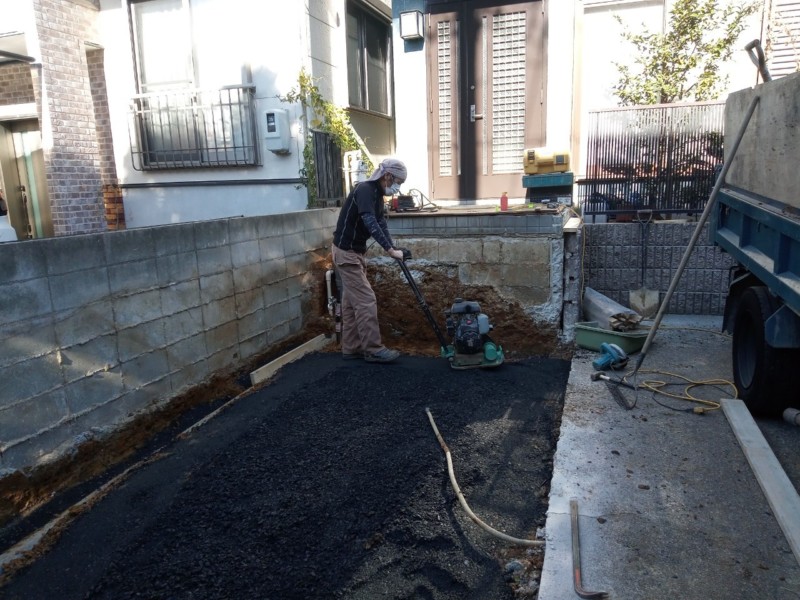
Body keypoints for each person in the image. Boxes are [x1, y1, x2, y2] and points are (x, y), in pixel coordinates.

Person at [332, 158, 407, 363]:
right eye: (398, 182)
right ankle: (373, 349)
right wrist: (390, 250)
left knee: (351, 303)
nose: (398, 187)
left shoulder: (377, 195)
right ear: (387, 176)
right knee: (366, 300)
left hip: (354, 252)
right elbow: (369, 220)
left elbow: (380, 222)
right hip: (346, 252)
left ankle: (351, 347)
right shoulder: (365, 190)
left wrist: (393, 248)